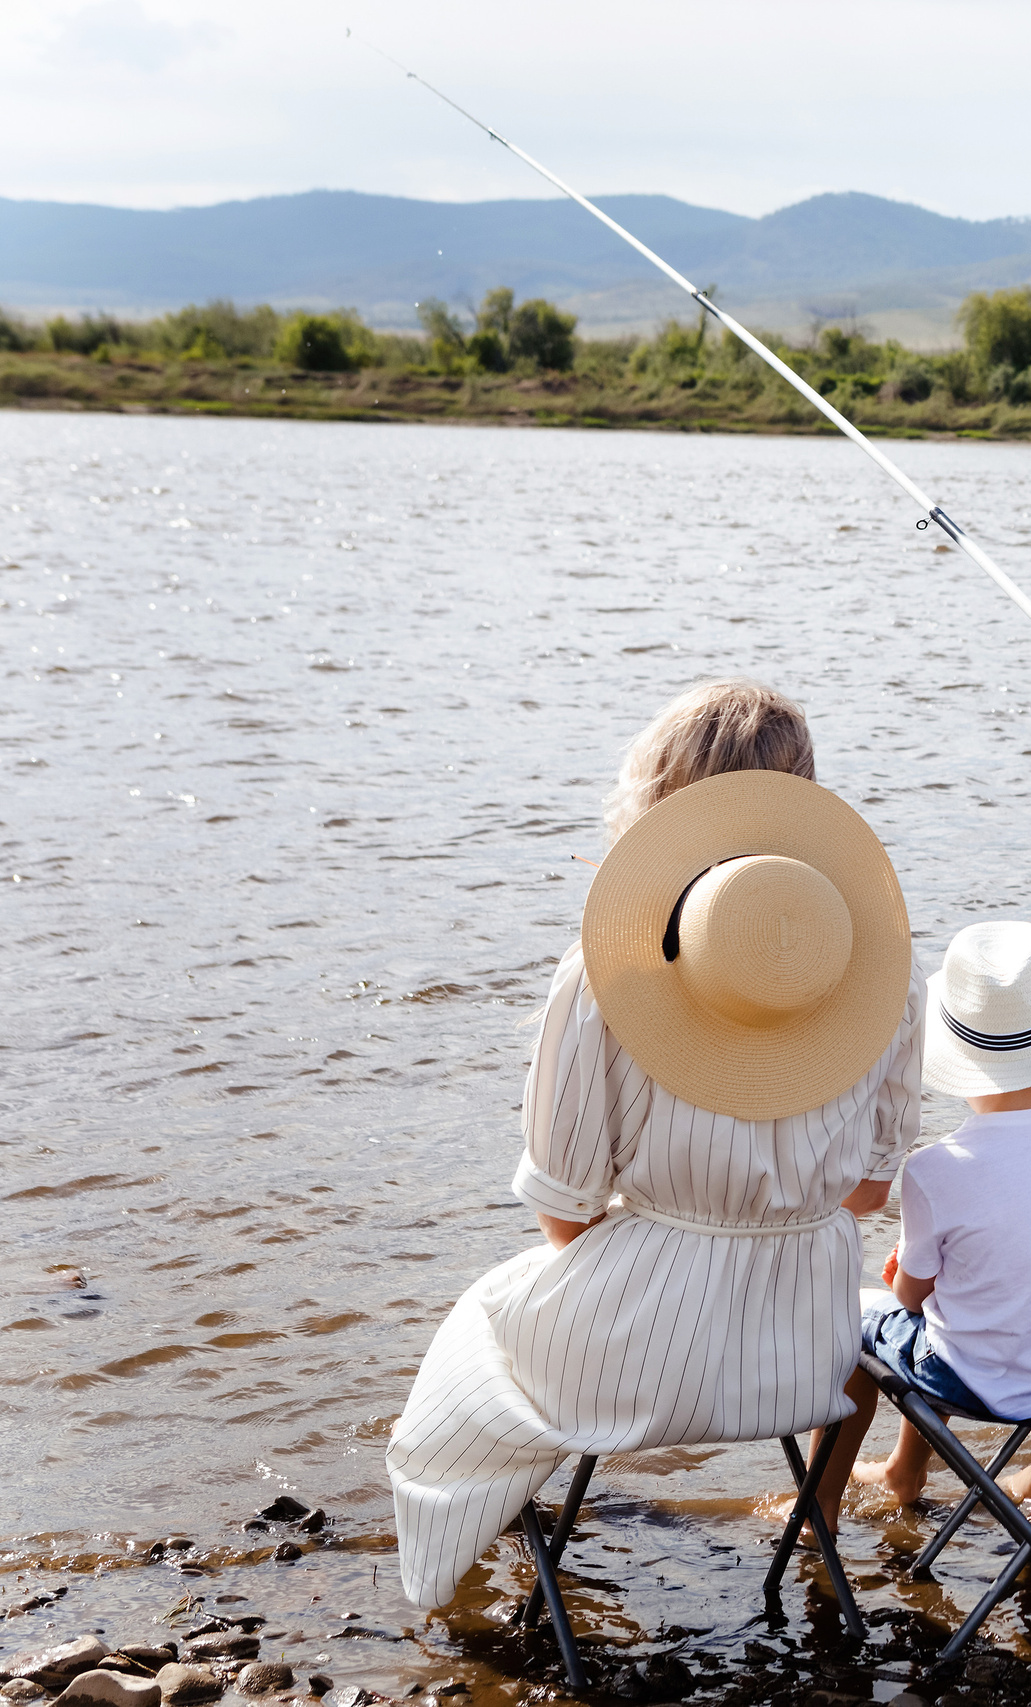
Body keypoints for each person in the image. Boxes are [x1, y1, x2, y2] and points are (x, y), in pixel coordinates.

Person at [387, 680, 925, 1609]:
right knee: (857, 1344)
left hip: (635, 1361)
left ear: (665, 804)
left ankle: (474, 1580)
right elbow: (869, 1197)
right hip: (807, 1354)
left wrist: (672, 1259)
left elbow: (562, 1202)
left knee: (476, 1336)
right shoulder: (884, 975)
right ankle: (819, 1519)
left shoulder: (606, 979)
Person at [821, 920, 1031, 1518]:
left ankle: (825, 1506)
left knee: (859, 1317)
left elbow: (910, 1298)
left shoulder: (936, 1168)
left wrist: (905, 1275)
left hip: (973, 1382)